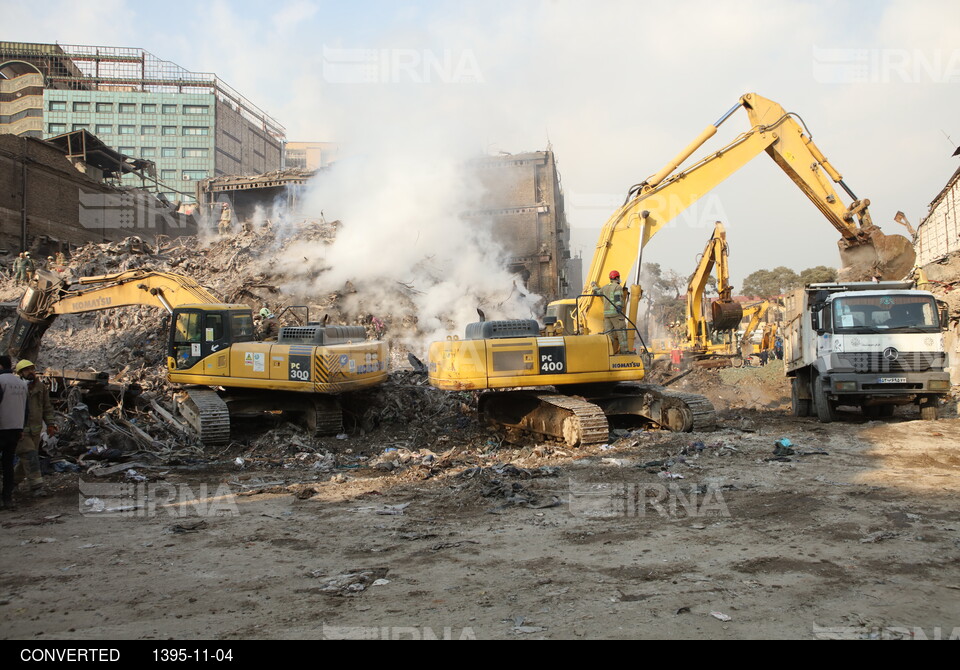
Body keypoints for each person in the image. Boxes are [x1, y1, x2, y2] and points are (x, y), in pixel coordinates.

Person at [14, 360, 55, 498]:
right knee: (30, 455)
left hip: (35, 431)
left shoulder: (40, 387)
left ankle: (11, 484)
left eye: (32, 369)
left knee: (26, 460)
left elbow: (47, 407)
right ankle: (37, 487)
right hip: (21, 431)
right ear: (20, 373)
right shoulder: (16, 388)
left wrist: (50, 424)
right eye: (27, 370)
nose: (31, 372)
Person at [0, 355, 29, 510]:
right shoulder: (22, 383)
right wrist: (21, 428)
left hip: (2, 427)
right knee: (8, 465)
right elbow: (26, 409)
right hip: (16, 429)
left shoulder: (1, 381)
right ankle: (7, 498)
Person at [591, 270, 628, 353]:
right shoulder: (617, 287)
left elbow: (597, 292)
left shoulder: (605, 287)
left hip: (607, 315)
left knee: (608, 335)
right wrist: (618, 306)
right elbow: (617, 298)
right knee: (621, 332)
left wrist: (593, 285)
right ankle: (625, 352)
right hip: (615, 314)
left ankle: (609, 352)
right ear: (617, 277)